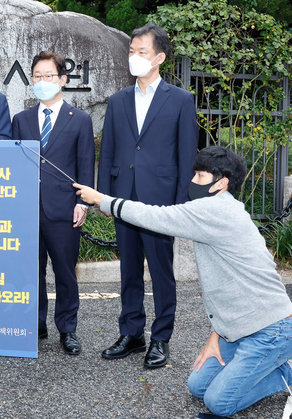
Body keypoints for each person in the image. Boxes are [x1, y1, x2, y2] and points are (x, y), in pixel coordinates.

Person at [75, 146, 292, 416]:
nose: (192, 182)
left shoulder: (215, 211)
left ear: (221, 183)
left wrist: (101, 199)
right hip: (240, 329)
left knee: (219, 403)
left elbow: (156, 216)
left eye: (200, 177)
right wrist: (218, 334)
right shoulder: (221, 209)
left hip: (270, 331)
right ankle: (265, 364)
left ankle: (285, 372)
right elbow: (236, 284)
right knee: (198, 386)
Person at [96, 24, 198, 368]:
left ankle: (161, 338)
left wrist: (181, 203)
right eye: (131, 51)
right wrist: (105, 198)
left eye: (142, 52)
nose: (134, 58)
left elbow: (187, 156)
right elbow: (108, 151)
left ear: (159, 58)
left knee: (161, 270)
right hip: (123, 197)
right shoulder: (118, 100)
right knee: (128, 271)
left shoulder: (181, 101)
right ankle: (132, 332)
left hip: (160, 201)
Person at [12, 51, 95, 355]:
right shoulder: (20, 120)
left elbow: (86, 164)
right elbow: (15, 165)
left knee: (64, 271)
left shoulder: (80, 120)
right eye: (37, 76)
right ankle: (36, 323)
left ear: (62, 80)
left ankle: (68, 329)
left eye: (49, 76)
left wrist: (82, 203)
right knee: (31, 271)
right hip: (28, 211)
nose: (42, 81)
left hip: (64, 210)